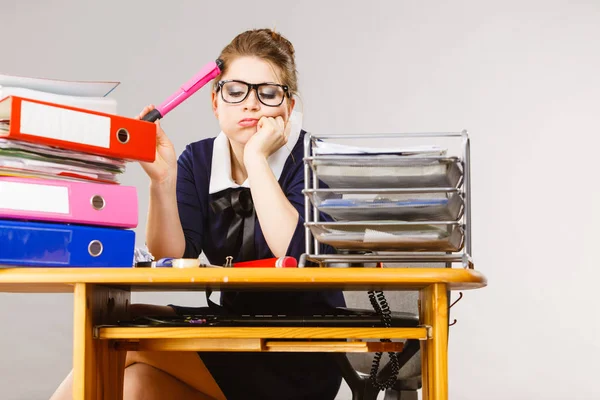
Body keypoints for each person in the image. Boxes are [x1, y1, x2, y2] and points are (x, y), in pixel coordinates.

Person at [50, 28, 345, 400]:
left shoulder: (312, 159)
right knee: (132, 373)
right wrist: (163, 181)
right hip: (232, 330)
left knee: (130, 342)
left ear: (288, 107)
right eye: (236, 91)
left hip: (300, 350)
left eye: (267, 94)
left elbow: (295, 251)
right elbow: (170, 257)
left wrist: (256, 159)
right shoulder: (200, 159)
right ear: (215, 101)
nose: (250, 105)